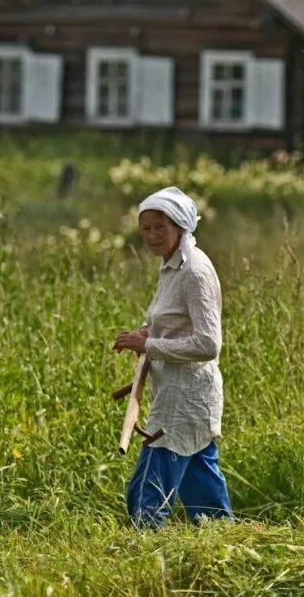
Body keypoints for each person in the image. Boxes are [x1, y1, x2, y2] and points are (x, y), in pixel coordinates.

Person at [113, 186, 233, 526]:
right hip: (178, 395)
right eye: (146, 228)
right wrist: (145, 334)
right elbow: (173, 323)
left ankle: (146, 551)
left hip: (186, 401)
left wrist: (149, 347)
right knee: (202, 488)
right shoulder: (171, 265)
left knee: (146, 492)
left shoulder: (194, 271)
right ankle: (222, 541)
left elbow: (209, 344)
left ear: (180, 225)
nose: (152, 235)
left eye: (159, 227)